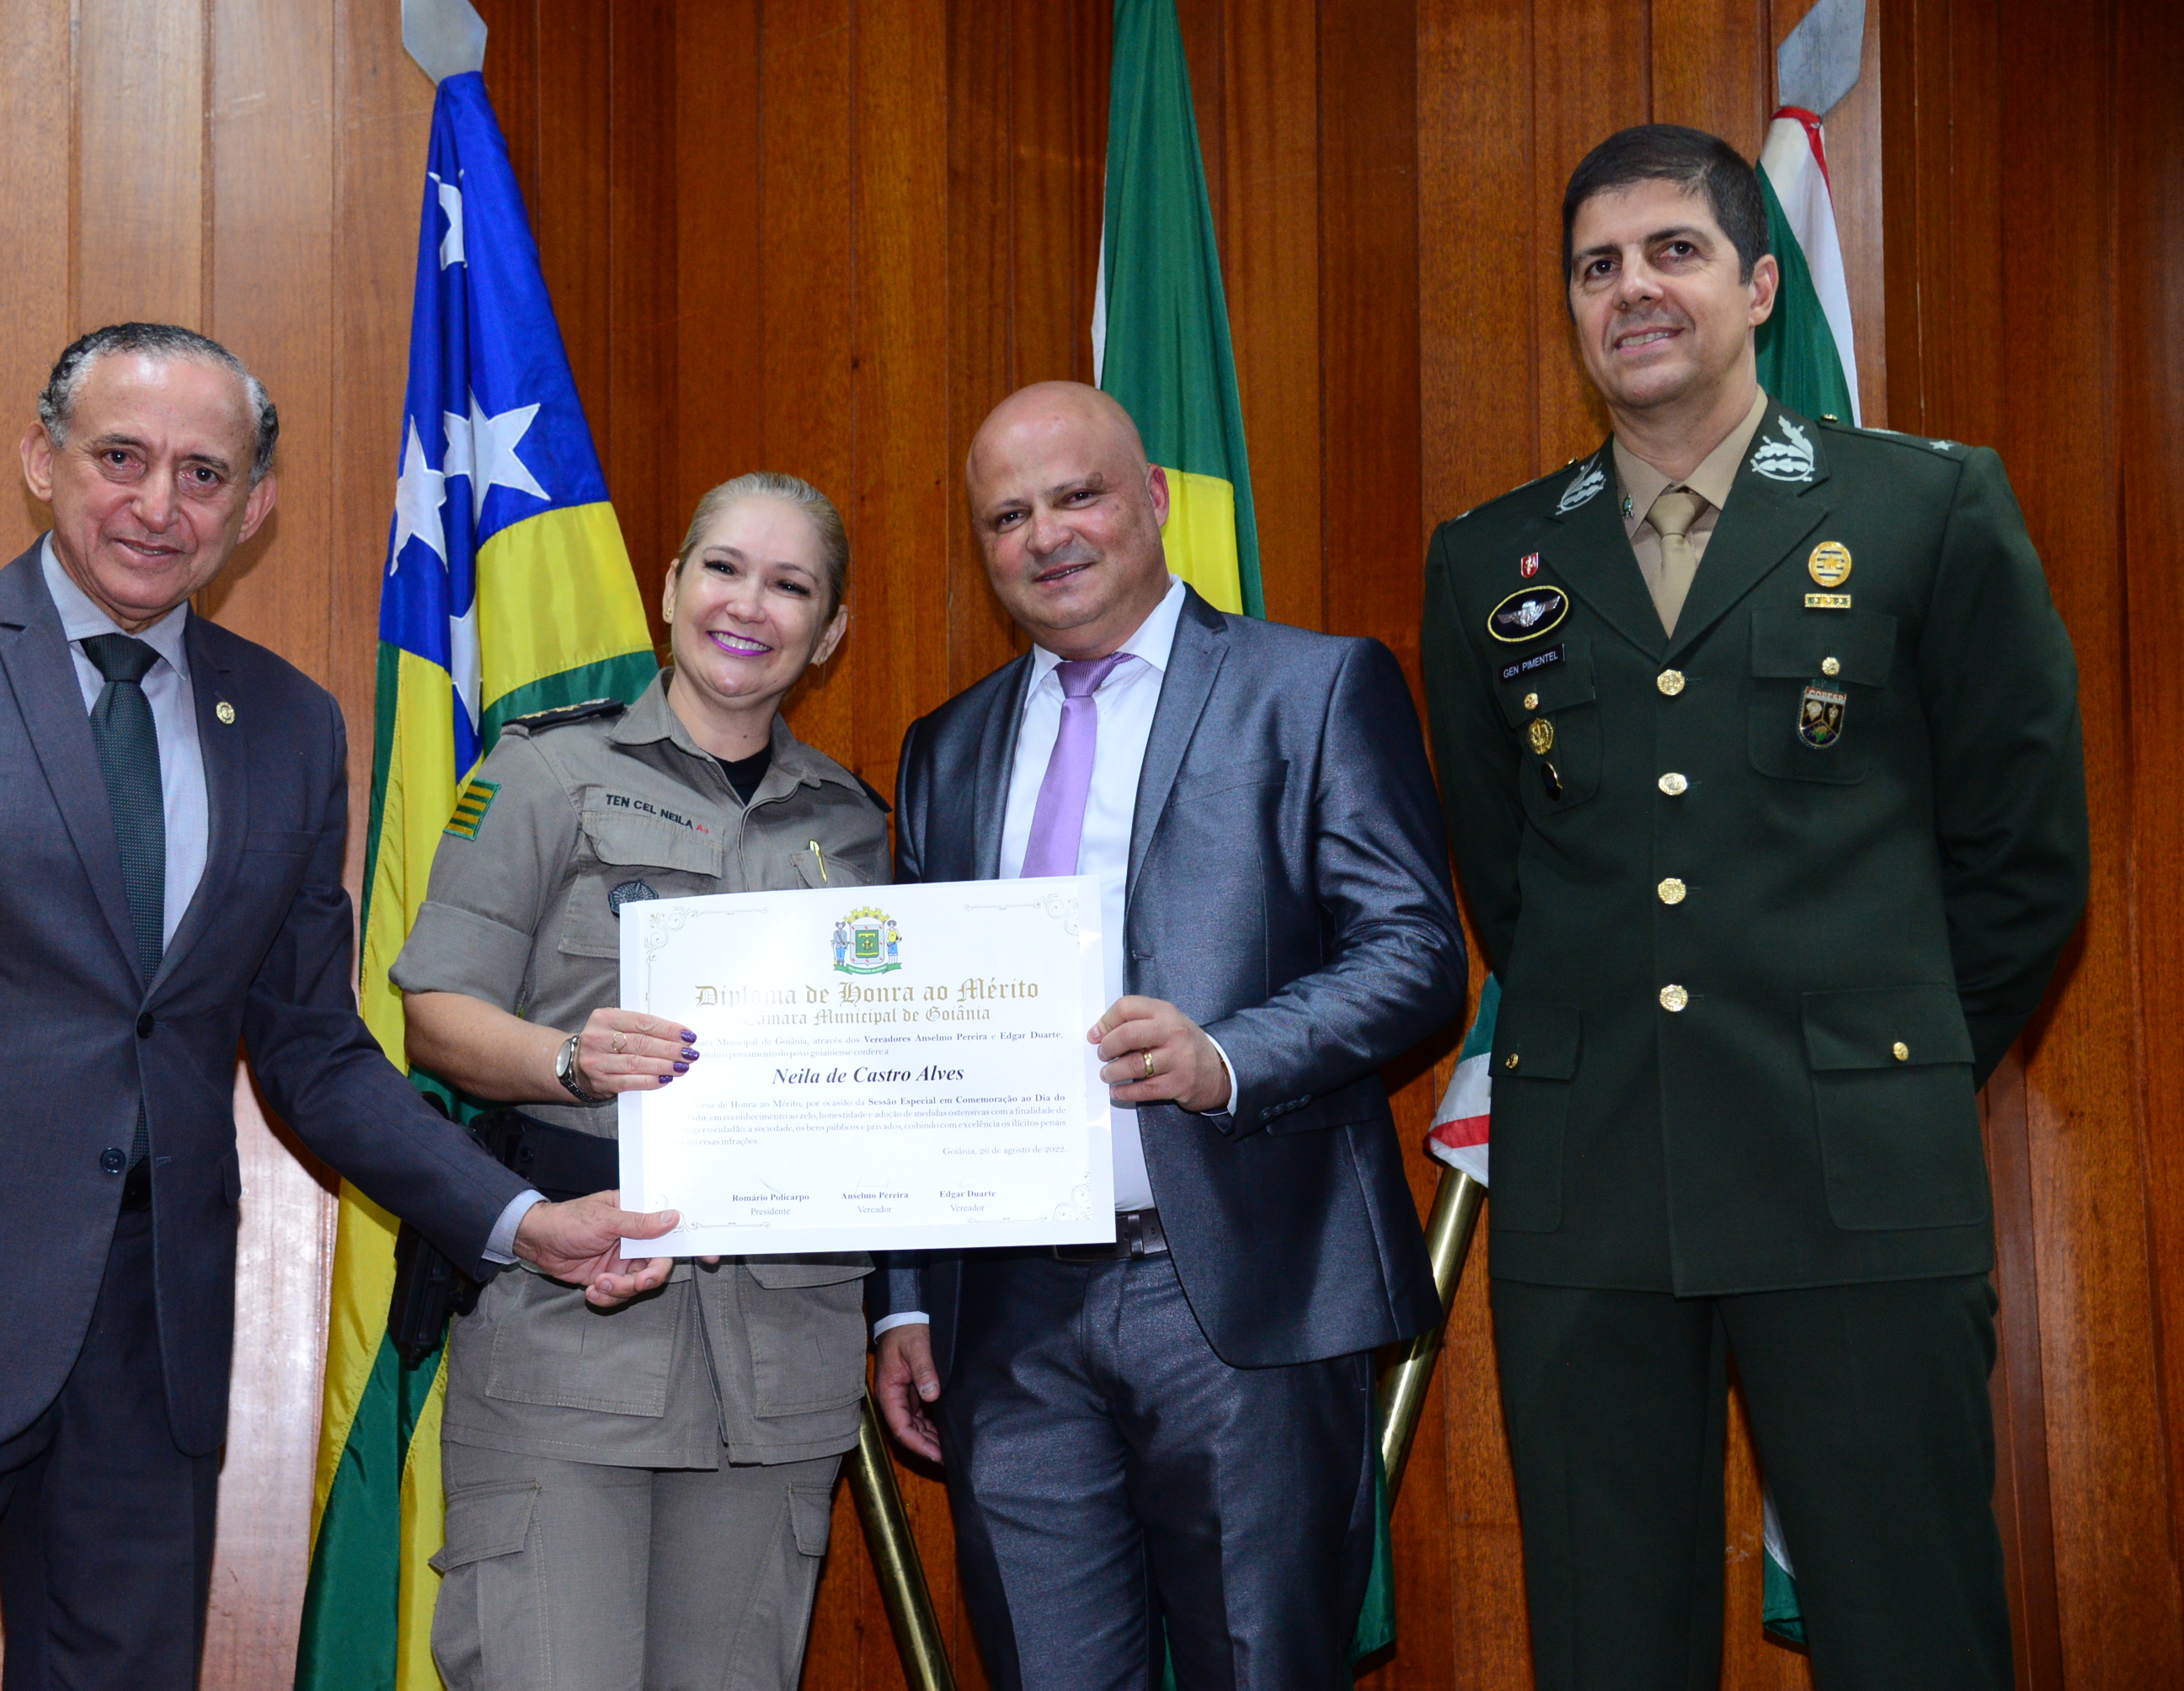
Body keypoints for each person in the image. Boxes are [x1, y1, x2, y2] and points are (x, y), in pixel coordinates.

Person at [0, 323, 676, 1691]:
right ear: (40, 459)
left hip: (149, 1361)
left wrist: (520, 1221)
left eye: (204, 475)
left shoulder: (288, 724)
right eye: (121, 458)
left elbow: (316, 1051)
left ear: (255, 507)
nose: (159, 506)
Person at [1419, 125, 2089, 1690]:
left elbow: (2023, 854)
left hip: (1855, 1167)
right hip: (1593, 1186)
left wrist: (1883, 1053)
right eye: (1597, 266)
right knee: (1608, 1642)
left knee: (1912, 1631)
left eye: (1675, 251)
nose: (1633, 290)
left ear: (1761, 286)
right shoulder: (1489, 559)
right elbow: (1508, 876)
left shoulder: (1924, 505)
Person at [870, 382, 1466, 1690]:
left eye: (1076, 496)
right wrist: (905, 1292)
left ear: (1150, 499)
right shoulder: (944, 749)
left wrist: (1227, 1057)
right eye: (1007, 517)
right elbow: (911, 1041)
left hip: (1241, 1287)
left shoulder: (1312, 687)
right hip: (1005, 1318)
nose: (1045, 536)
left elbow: (1419, 957)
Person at [390, 472, 891, 1690]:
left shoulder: (859, 825)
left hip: (782, 1356)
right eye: (722, 568)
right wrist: (567, 1060)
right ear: (670, 588)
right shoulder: (542, 772)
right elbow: (435, 1014)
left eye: (790, 586)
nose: (748, 605)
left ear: (829, 633)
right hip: (571, 1332)